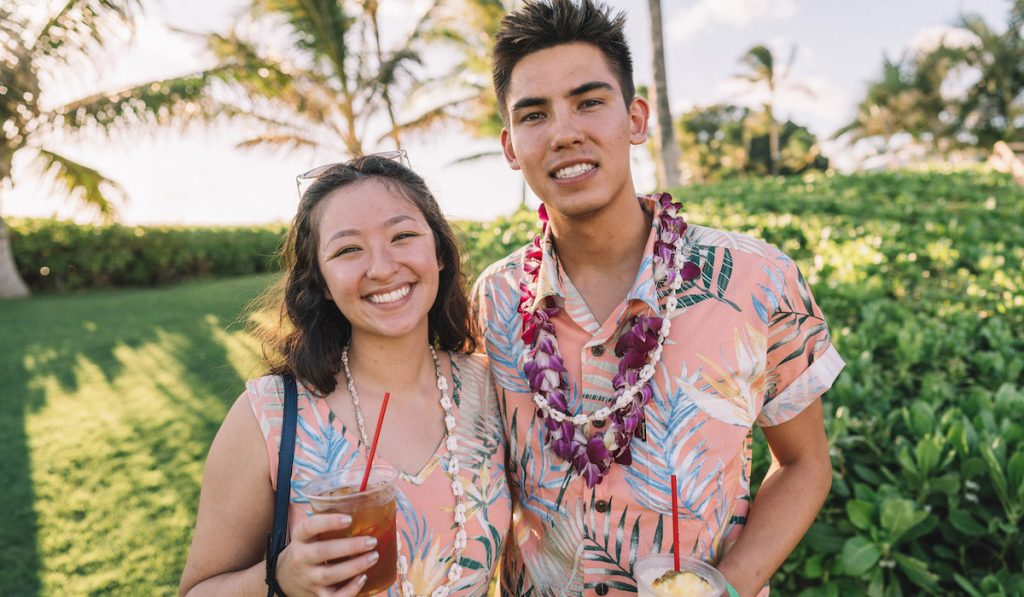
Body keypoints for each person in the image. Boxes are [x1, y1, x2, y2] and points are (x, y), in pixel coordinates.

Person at [472, 1, 845, 595]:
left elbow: (804, 464)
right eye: (535, 114)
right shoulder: (491, 300)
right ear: (512, 146)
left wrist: (725, 587)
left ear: (636, 119)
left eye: (589, 102)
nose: (565, 132)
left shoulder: (755, 278)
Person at [179, 153, 510, 597]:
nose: (381, 267)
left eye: (403, 235)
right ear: (321, 282)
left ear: (440, 253)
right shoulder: (271, 417)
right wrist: (280, 577)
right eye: (348, 249)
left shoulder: (492, 389)